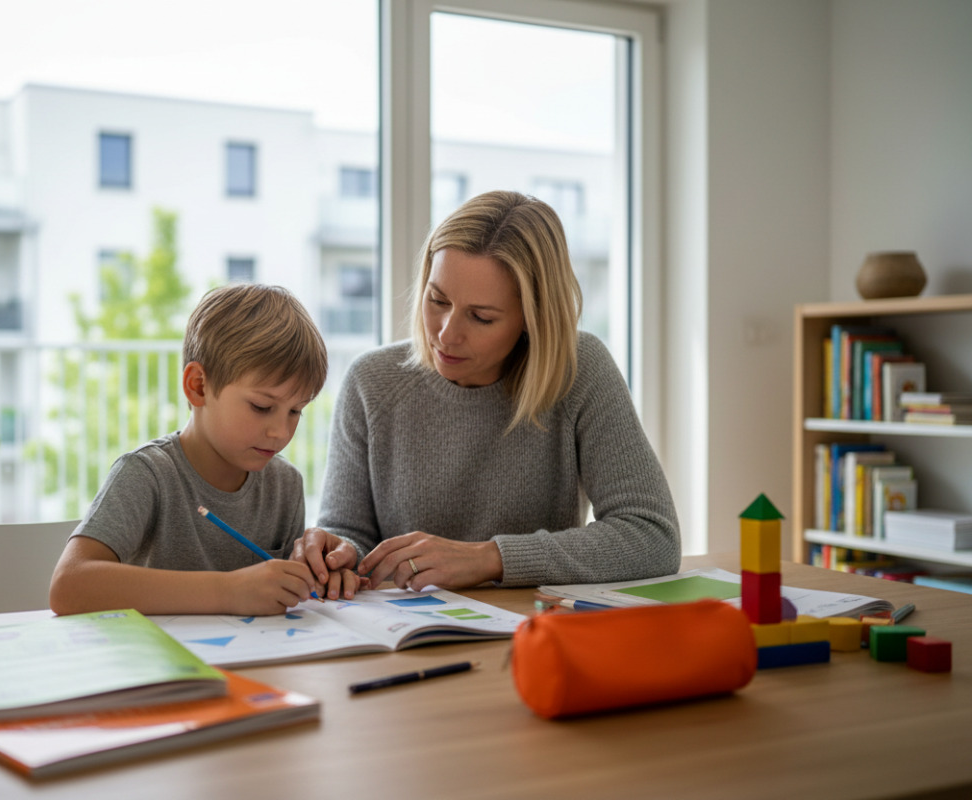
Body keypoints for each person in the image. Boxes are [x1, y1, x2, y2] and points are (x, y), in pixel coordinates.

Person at [294, 190, 680, 592]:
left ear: (532, 317)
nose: (447, 334)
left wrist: (488, 559)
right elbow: (349, 534)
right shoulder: (371, 381)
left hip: (533, 622)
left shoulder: (577, 370)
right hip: (408, 625)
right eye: (437, 299)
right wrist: (336, 555)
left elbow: (653, 536)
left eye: (481, 317)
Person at [49, 283, 351, 616]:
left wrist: (318, 574)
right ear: (198, 386)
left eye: (295, 411)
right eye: (261, 407)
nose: (281, 432)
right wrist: (228, 592)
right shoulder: (147, 474)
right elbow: (68, 587)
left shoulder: (285, 485)